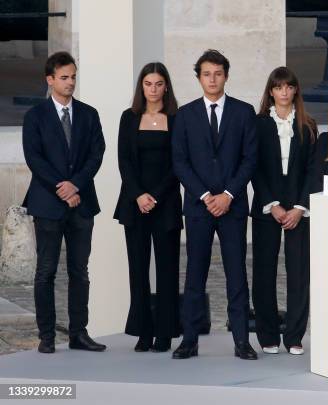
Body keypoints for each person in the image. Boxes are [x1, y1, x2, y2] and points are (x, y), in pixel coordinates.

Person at [171, 49, 258, 360]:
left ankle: (242, 341)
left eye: (218, 73)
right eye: (206, 74)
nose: (212, 79)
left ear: (226, 76)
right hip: (199, 207)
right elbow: (179, 162)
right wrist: (207, 196)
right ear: (198, 78)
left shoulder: (244, 112)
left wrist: (228, 195)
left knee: (237, 274)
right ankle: (189, 340)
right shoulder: (185, 114)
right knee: (195, 274)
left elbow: (250, 159)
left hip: (232, 206)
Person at [22, 51, 106, 353]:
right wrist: (62, 188)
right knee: (45, 270)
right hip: (47, 204)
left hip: (82, 203)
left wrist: (76, 185)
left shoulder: (89, 114)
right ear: (50, 80)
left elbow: (97, 153)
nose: (70, 83)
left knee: (79, 271)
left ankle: (78, 333)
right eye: (64, 78)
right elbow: (34, 158)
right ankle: (46, 335)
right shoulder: (35, 116)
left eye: (73, 77)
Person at [113, 62, 182, 353]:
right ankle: (143, 331)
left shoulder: (178, 119)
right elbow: (124, 161)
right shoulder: (128, 118)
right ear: (141, 87)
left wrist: (154, 195)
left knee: (167, 270)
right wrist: (140, 195)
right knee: (138, 270)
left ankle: (165, 332)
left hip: (165, 203)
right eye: (147, 84)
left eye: (158, 84)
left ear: (166, 86)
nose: (153, 89)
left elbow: (179, 163)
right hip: (134, 204)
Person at [250, 67, 317, 355]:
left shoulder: (308, 125)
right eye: (279, 88)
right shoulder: (258, 124)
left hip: (299, 208)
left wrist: (300, 207)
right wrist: (272, 204)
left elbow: (314, 170)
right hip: (268, 206)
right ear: (271, 92)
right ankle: (267, 334)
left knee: (299, 271)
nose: (285, 92)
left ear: (296, 90)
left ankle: (294, 336)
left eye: (289, 87)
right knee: (264, 270)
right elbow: (253, 166)